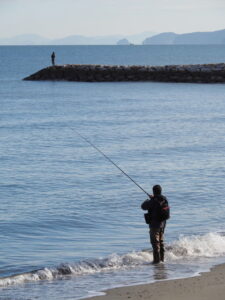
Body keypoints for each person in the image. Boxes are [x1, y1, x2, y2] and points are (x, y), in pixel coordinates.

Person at [141, 185, 168, 264]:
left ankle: (156, 262)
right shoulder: (164, 199)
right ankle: (162, 260)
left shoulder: (152, 201)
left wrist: (149, 199)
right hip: (163, 224)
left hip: (155, 225)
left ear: (153, 191)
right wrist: (153, 198)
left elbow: (143, 206)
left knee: (155, 244)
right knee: (161, 243)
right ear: (160, 191)